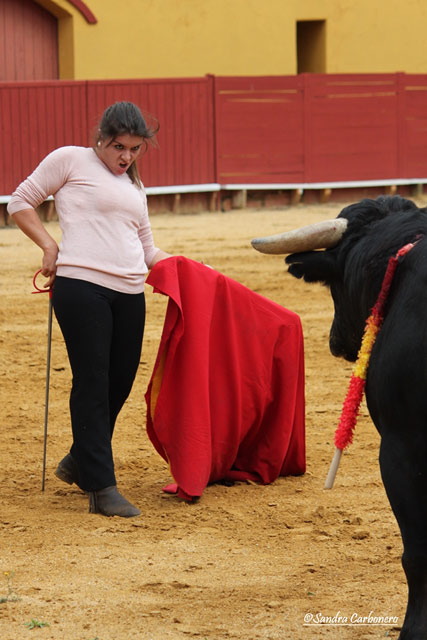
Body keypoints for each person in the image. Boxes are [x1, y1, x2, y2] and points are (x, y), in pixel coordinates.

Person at [7, 101, 171, 518]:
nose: (126, 157)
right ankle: (100, 485)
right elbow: (20, 202)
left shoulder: (135, 186)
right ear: (101, 138)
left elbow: (148, 248)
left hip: (130, 290)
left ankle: (81, 459)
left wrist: (186, 269)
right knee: (93, 381)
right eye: (119, 147)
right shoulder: (70, 160)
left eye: (134, 149)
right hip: (82, 287)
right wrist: (49, 245)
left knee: (120, 382)